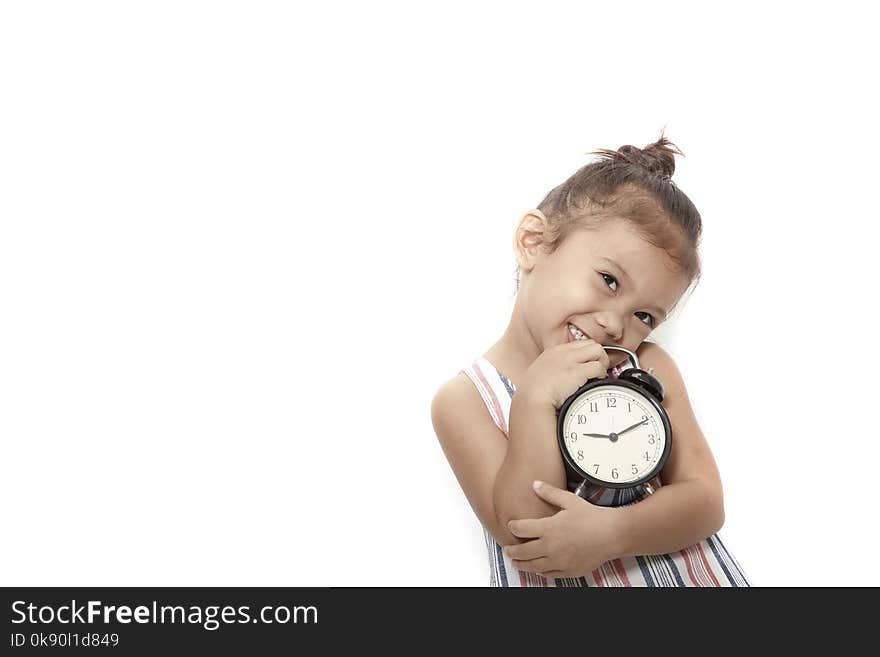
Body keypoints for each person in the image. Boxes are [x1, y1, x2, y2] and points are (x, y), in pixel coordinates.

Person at [431, 130, 750, 587]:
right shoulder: (466, 402)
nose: (616, 326)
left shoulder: (645, 370)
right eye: (609, 280)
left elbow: (705, 500)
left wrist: (616, 532)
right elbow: (525, 531)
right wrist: (535, 401)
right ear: (534, 242)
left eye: (645, 315)